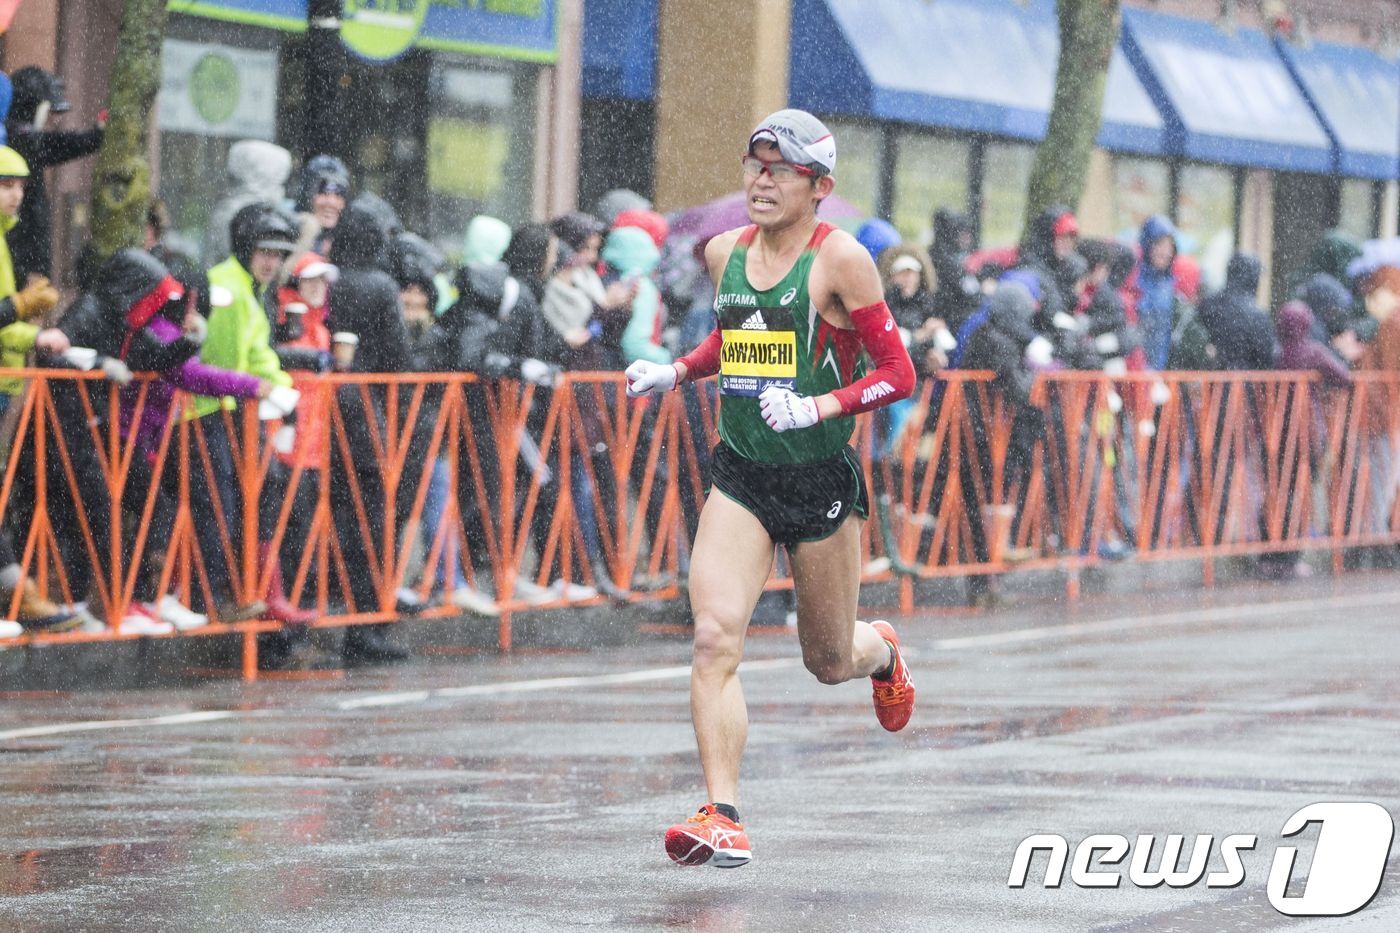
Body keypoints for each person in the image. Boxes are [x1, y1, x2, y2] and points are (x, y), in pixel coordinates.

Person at [624, 110, 917, 868]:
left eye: (780, 170)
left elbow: (898, 374)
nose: (761, 180)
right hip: (743, 473)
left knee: (827, 659)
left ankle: (881, 652)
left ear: (818, 186)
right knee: (714, 636)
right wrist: (677, 371)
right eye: (755, 166)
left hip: (818, 479)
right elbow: (738, 337)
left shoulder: (842, 260)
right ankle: (722, 813)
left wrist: (820, 406)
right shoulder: (724, 251)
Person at [3, 67, 104, 283]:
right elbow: (58, 145)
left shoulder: (21, 142)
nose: (54, 121)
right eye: (49, 112)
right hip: (23, 270)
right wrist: (29, 271)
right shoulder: (22, 142)